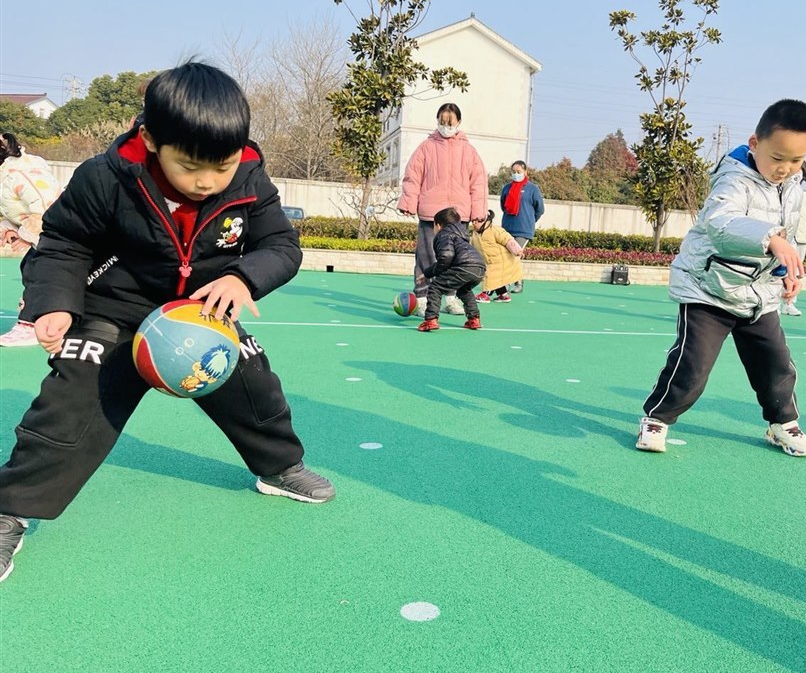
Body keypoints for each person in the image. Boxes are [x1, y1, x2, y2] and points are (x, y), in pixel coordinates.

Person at [0, 62, 334, 584]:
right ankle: (10, 510)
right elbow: (64, 243)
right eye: (191, 166)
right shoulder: (107, 176)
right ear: (152, 140)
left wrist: (243, 279)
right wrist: (55, 304)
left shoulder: (249, 178)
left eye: (221, 166)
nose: (207, 182)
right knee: (71, 403)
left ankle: (279, 466)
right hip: (113, 309)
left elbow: (280, 245)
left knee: (252, 379)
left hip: (201, 309)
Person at [636, 99, 806, 457]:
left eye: (796, 160)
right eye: (777, 158)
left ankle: (782, 423)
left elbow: (790, 235)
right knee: (692, 366)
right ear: (755, 143)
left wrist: (786, 272)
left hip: (758, 295)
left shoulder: (795, 188)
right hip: (709, 290)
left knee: (776, 364)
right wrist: (771, 238)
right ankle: (657, 418)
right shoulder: (733, 180)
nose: (785, 168)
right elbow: (721, 224)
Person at [398, 103, 488, 316]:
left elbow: (479, 182)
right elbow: (413, 176)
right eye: (442, 121)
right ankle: (422, 298)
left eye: (450, 122)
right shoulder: (426, 147)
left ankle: (450, 298)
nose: (446, 126)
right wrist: (409, 203)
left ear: (458, 122)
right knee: (426, 254)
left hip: (458, 215)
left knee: (456, 258)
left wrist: (478, 212)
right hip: (431, 213)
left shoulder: (469, 151)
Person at [0, 132, 62, 347]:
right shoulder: (5, 175)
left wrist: (27, 236)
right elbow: (14, 211)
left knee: (38, 270)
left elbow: (48, 205)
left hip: (62, 232)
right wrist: (8, 229)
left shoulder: (18, 175)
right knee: (32, 267)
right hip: (47, 233)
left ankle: (31, 324)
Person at [417, 206, 486, 332]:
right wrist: (427, 273)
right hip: (479, 268)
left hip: (464, 267)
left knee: (436, 287)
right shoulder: (462, 235)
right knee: (464, 290)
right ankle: (474, 319)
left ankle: (431, 320)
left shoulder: (443, 235)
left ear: (438, 225)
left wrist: (430, 273)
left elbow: (446, 257)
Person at [780, 161, 806, 317]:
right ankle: (775, 303)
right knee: (779, 270)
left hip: (800, 238)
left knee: (795, 273)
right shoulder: (780, 189)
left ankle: (789, 303)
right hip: (783, 238)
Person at [500, 160, 544, 293]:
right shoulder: (506, 188)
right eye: (513, 172)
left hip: (523, 229)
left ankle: (514, 283)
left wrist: (530, 220)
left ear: (525, 172)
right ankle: (512, 281)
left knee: (515, 255)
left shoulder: (533, 189)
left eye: (518, 172)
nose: (516, 174)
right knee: (505, 256)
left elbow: (540, 209)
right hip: (507, 227)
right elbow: (503, 206)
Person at [470, 209, 524, 304]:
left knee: (490, 277)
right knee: (497, 279)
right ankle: (503, 295)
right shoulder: (475, 234)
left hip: (500, 260)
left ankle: (485, 294)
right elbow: (472, 246)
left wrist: (517, 250)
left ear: (485, 221)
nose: (474, 224)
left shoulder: (494, 230)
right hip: (489, 260)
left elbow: (507, 240)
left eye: (477, 221)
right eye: (473, 221)